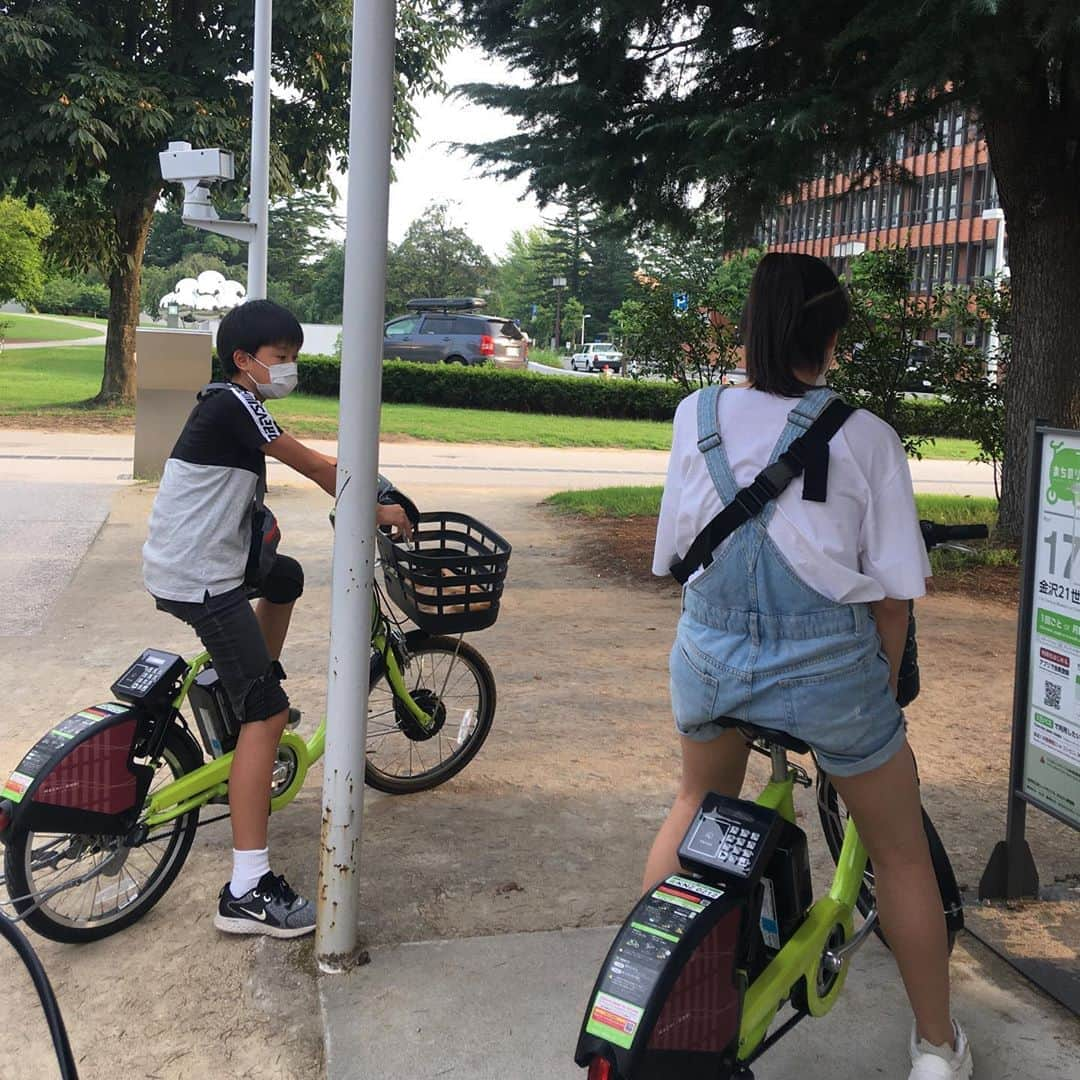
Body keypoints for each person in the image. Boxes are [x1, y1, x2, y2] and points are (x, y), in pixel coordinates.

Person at [647, 254, 973, 1080]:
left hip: (710, 654)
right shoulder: (866, 436)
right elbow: (895, 598)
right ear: (830, 333)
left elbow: (677, 553)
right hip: (829, 670)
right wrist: (880, 696)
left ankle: (662, 1001)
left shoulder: (698, 413)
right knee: (899, 853)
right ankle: (937, 1048)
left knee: (693, 804)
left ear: (752, 324)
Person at [142, 299, 411, 939]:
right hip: (203, 578)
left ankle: (241, 698)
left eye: (293, 357)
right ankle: (247, 888)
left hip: (200, 563)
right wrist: (377, 508)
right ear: (244, 360)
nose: (288, 368)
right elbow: (314, 465)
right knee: (267, 708)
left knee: (284, 576)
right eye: (280, 358)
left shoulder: (228, 402)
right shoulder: (235, 403)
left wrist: (368, 487)